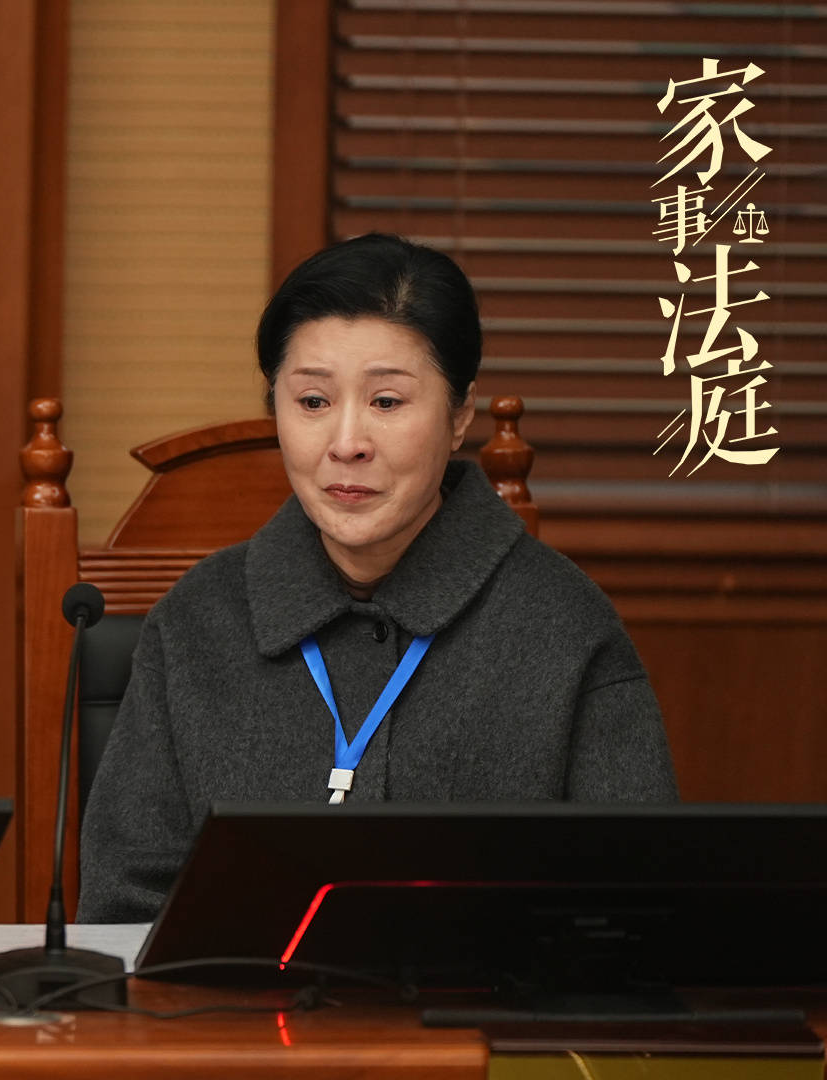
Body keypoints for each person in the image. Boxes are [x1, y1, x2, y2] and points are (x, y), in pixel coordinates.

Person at [77, 233, 677, 924]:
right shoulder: (195, 622)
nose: (346, 443)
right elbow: (122, 910)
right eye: (312, 402)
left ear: (460, 415)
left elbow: (636, 916)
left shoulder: (564, 626)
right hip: (234, 998)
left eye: (387, 402)